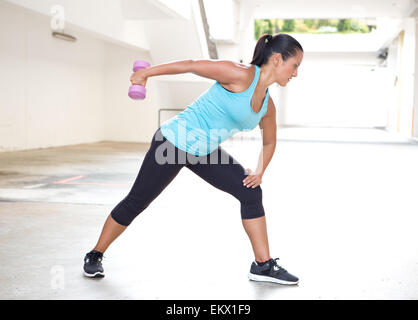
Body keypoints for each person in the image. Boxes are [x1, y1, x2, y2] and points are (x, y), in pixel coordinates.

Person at [83, 33, 304, 285]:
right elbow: (190, 64)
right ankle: (95, 254)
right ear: (277, 59)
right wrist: (146, 74)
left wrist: (259, 171)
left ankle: (263, 266)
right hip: (172, 142)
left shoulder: (267, 105)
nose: (295, 72)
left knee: (251, 191)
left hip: (205, 151)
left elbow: (269, 141)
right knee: (137, 201)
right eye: (294, 65)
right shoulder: (240, 74)